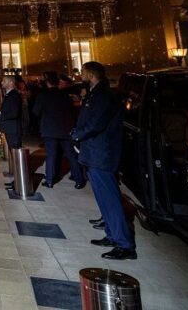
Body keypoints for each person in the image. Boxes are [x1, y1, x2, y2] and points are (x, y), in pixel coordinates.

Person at [72, 61, 136, 260]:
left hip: (102, 152)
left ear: (91, 74)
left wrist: (77, 134)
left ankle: (124, 244)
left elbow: (95, 123)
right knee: (103, 198)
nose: (80, 74)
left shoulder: (103, 95)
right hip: (94, 152)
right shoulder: (95, 93)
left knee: (110, 198)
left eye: (83, 71)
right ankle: (111, 234)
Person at [31, 72, 85, 189]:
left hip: (50, 129)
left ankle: (50, 180)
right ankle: (79, 179)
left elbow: (36, 112)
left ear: (47, 83)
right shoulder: (65, 95)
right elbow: (71, 111)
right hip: (65, 128)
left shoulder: (43, 95)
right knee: (71, 155)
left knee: (51, 155)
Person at [0, 75, 23, 190]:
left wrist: (2, 115)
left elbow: (14, 113)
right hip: (9, 128)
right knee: (13, 155)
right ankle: (16, 181)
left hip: (13, 129)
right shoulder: (9, 95)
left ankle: (19, 182)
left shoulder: (14, 95)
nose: (2, 82)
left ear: (11, 83)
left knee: (16, 155)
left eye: (4, 81)